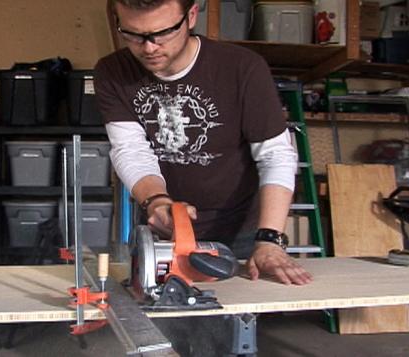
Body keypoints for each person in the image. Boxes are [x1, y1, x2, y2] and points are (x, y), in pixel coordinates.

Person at [95, 0, 312, 285]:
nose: (149, 47)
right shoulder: (113, 72)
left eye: (162, 33)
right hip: (165, 229)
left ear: (192, 15)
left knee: (241, 320)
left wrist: (270, 239)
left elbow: (276, 155)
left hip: (244, 232)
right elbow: (131, 150)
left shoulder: (242, 68)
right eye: (134, 34)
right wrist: (157, 202)